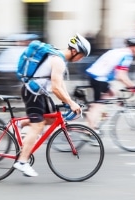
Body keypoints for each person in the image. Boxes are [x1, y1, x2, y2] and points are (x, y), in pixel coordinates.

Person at [13, 33, 91, 177]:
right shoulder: (58, 60)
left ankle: (21, 124)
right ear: (75, 51)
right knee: (38, 126)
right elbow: (56, 88)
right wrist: (70, 102)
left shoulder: (59, 58)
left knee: (53, 119)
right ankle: (22, 162)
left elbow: (61, 85)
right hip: (32, 93)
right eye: (82, 55)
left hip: (40, 93)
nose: (81, 59)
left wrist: (68, 101)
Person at [85, 37, 135, 134]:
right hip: (98, 78)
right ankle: (89, 130)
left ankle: (96, 117)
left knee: (113, 93)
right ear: (134, 47)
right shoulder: (127, 56)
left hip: (98, 76)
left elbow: (118, 75)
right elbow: (121, 76)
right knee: (98, 105)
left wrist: (130, 85)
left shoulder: (120, 51)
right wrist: (133, 87)